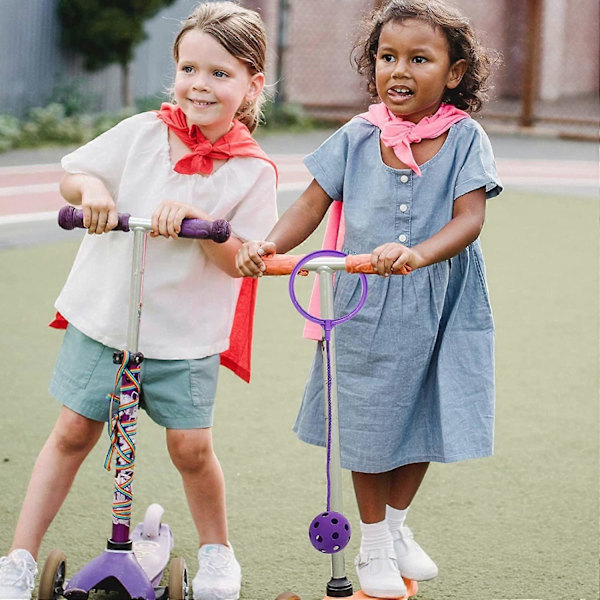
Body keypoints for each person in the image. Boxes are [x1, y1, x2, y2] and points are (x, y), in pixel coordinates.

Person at [0, 3, 277, 600]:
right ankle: (19, 558)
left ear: (252, 84)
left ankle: (216, 553)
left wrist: (206, 223)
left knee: (191, 447)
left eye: (220, 74)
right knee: (73, 431)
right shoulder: (142, 133)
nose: (199, 85)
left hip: (185, 333)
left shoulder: (252, 173)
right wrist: (95, 189)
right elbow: (73, 177)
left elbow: (242, 261)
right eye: (189, 68)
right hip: (107, 319)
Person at [236, 0, 502, 597]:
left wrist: (421, 253)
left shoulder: (464, 139)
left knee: (426, 413)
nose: (398, 70)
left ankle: (399, 527)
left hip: (443, 298)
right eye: (387, 57)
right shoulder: (358, 135)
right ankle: (373, 545)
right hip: (365, 301)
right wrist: (268, 246)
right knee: (368, 419)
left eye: (418, 58)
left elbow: (470, 219)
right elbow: (310, 204)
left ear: (454, 73)